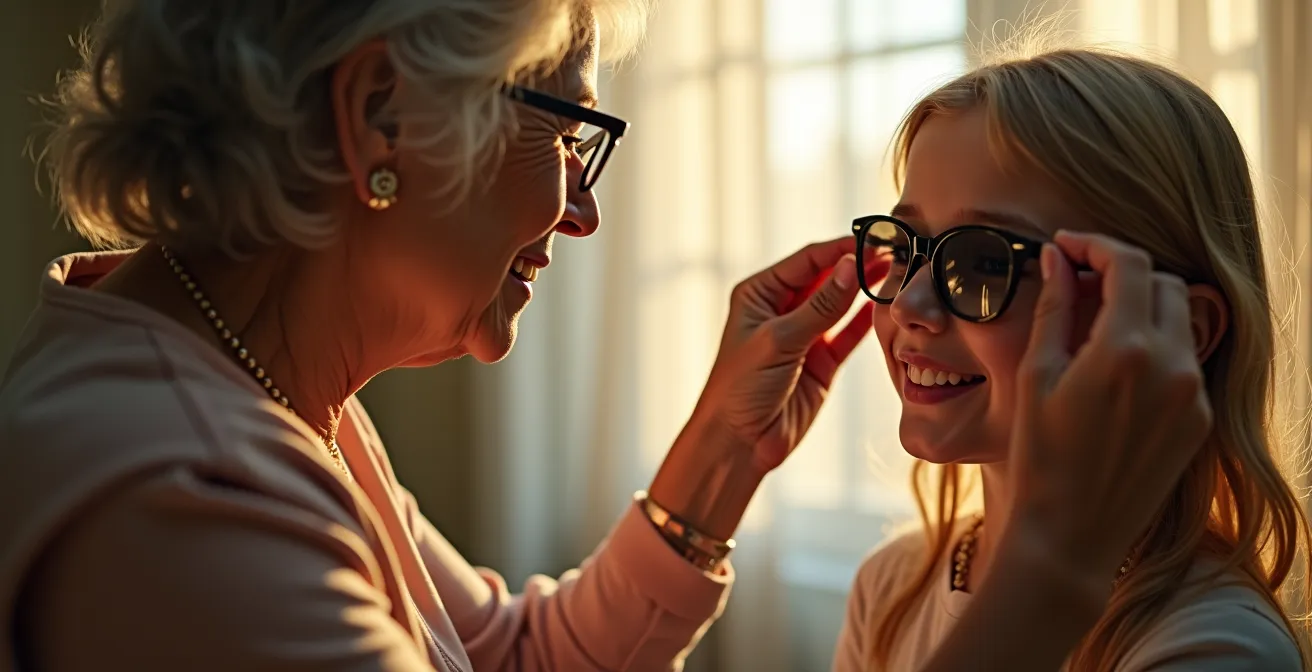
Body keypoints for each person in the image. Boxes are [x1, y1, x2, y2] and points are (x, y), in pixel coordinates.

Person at [0, 1, 881, 670]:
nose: (584, 213)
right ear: (380, 112)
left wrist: (726, 445)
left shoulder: (268, 389)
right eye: (566, 133)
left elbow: (509, 655)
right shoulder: (183, 498)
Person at [831, 46, 1311, 671]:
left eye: (982, 262)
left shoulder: (1212, 647)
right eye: (906, 248)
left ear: (1177, 331)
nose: (911, 304)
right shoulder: (891, 586)